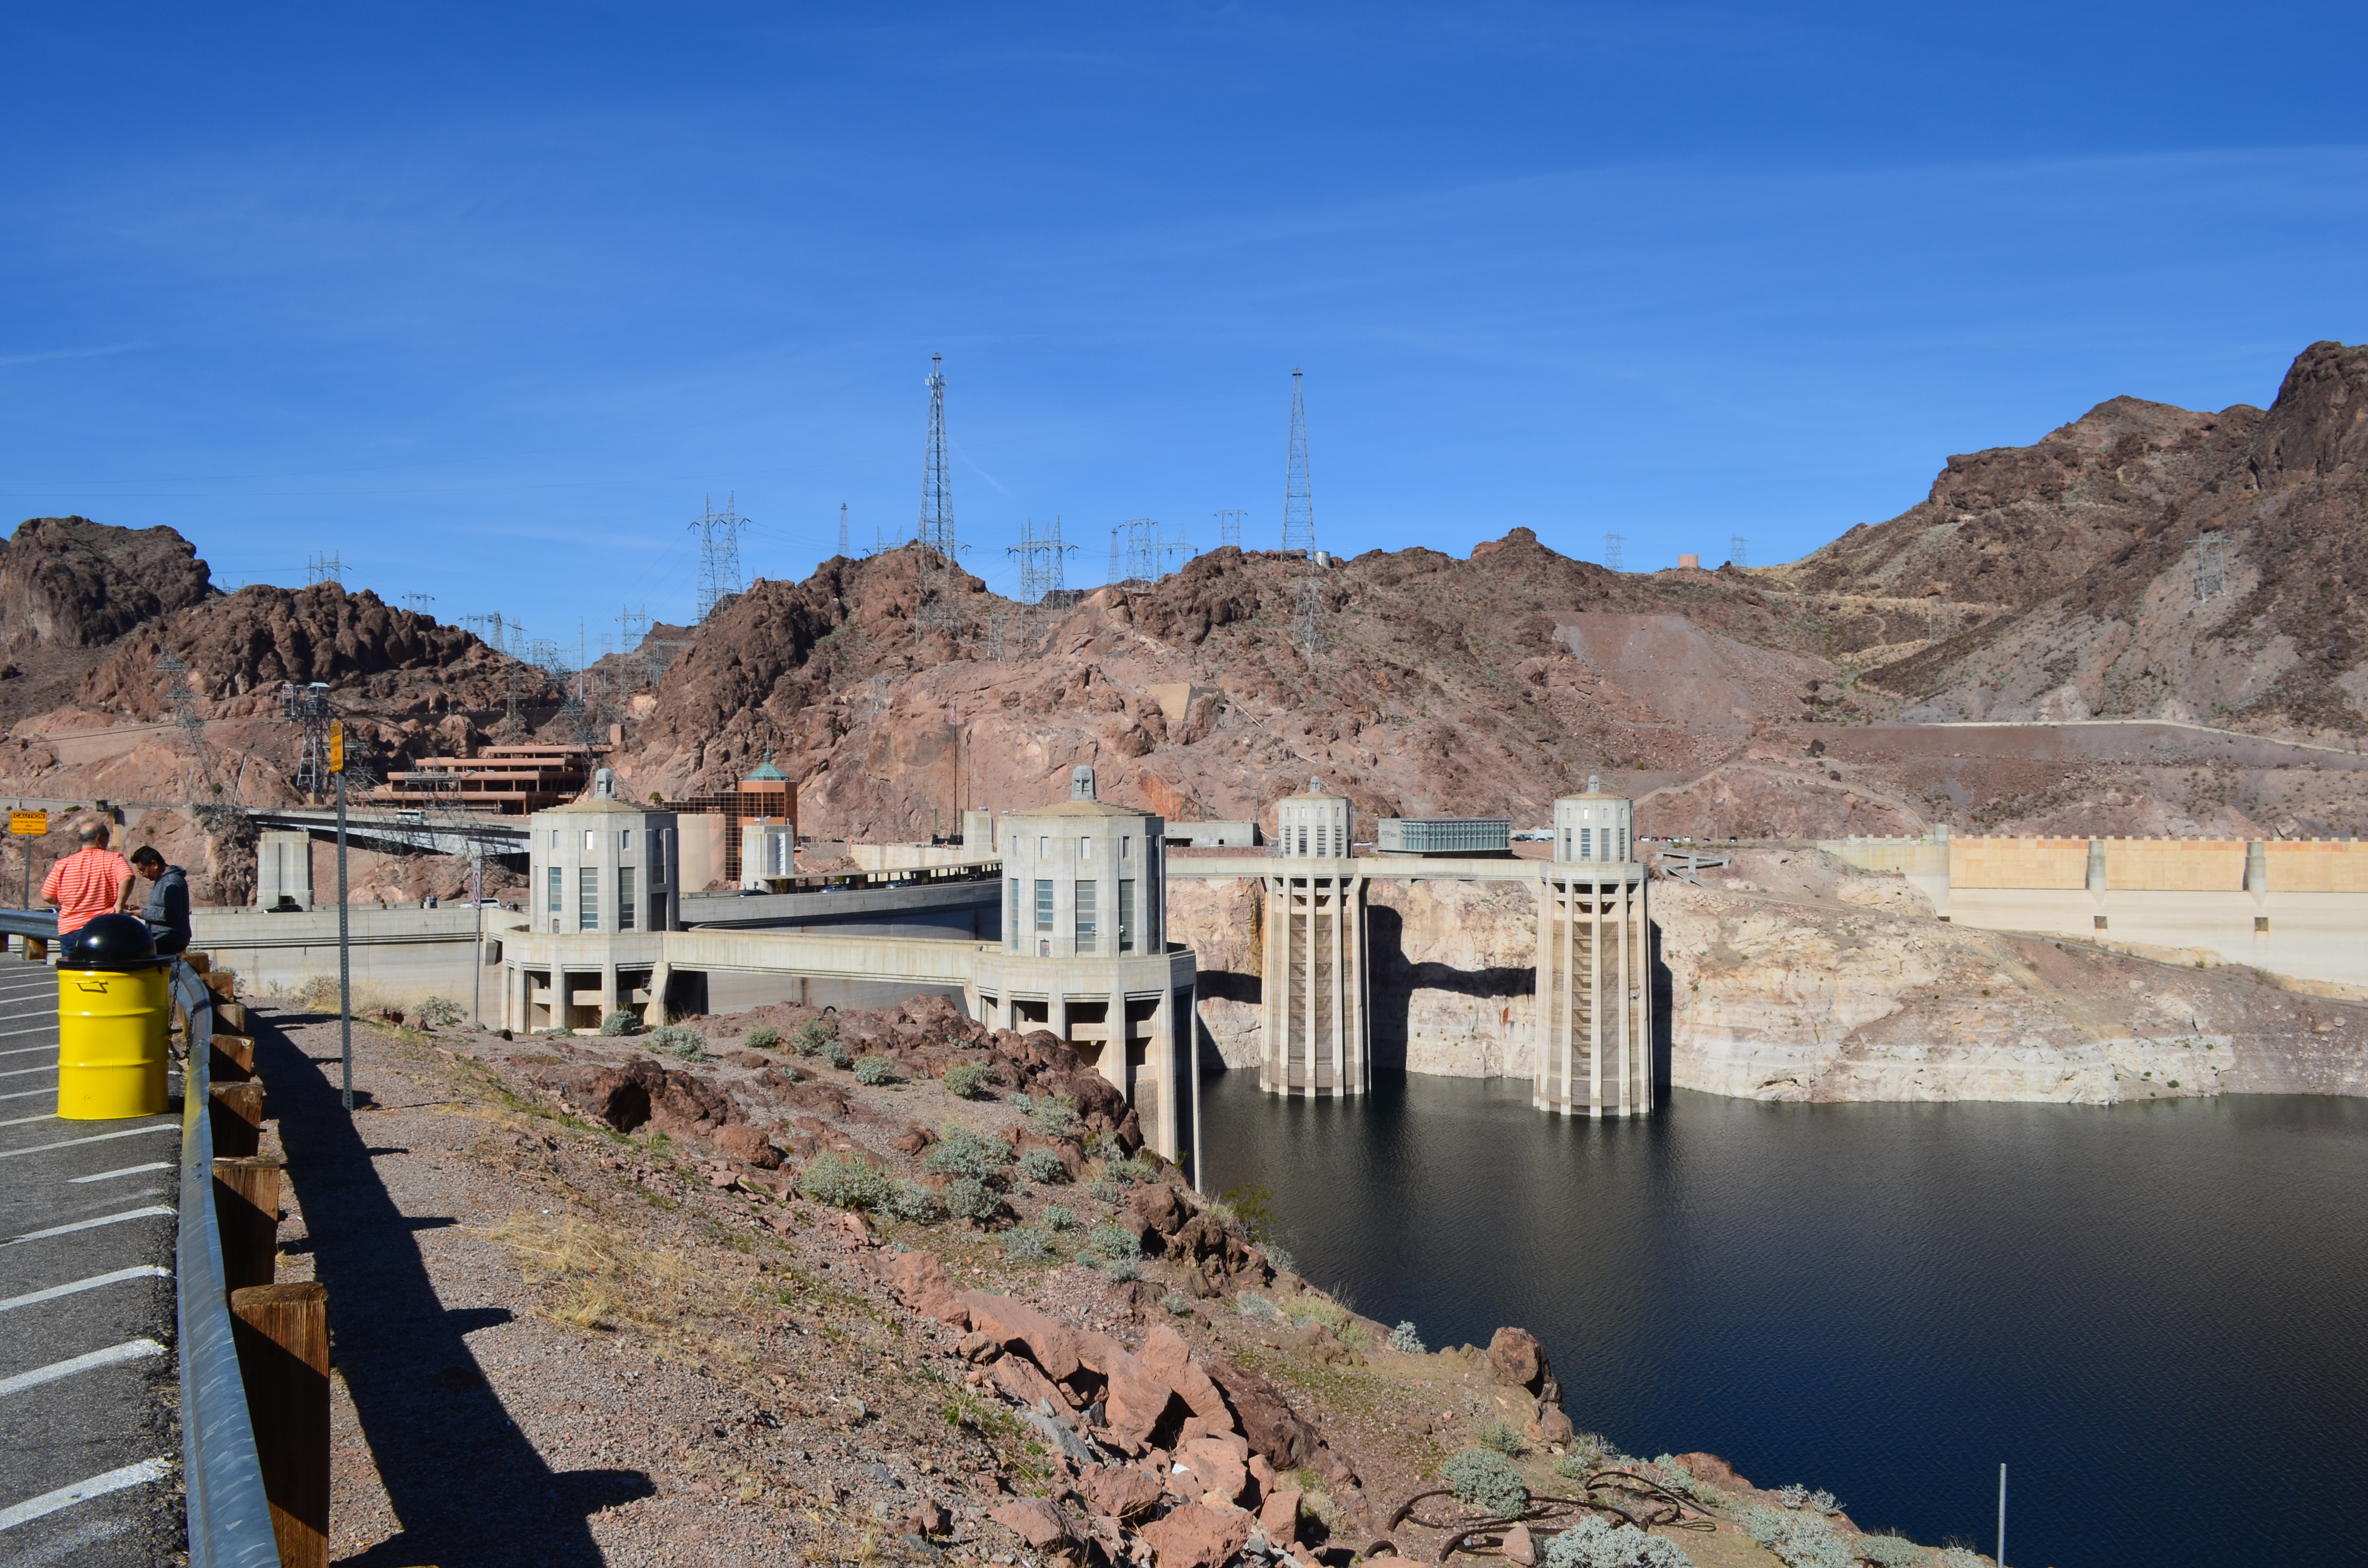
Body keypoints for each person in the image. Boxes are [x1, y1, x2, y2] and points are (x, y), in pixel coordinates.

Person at [41, 819, 136, 936]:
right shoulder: (114, 859)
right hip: (104, 927)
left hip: (70, 929)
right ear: (99, 839)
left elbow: (47, 896)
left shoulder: (63, 864)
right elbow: (128, 878)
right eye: (108, 836)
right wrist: (119, 906)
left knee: (72, 955)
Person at [129, 845, 191, 956]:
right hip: (165, 936)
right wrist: (140, 910)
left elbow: (172, 914)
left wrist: (142, 913)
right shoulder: (162, 880)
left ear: (154, 864)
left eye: (143, 870)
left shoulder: (171, 882)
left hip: (171, 938)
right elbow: (161, 908)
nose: (144, 875)